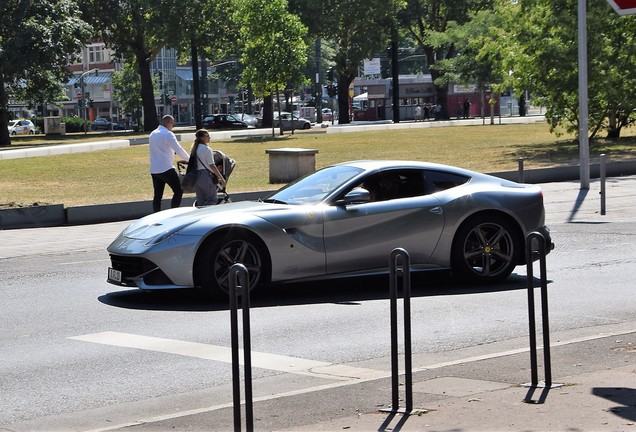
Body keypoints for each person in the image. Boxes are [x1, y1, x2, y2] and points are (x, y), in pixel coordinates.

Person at [149, 115, 190, 212]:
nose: (173, 126)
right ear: (168, 123)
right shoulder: (168, 134)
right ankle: (173, 213)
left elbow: (163, 148)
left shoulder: (153, 133)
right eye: (173, 123)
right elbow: (179, 149)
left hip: (154, 169)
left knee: (158, 195)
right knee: (178, 191)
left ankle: (156, 214)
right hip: (166, 168)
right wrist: (189, 160)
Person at [190, 129, 226, 206]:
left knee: (200, 200)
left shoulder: (194, 149)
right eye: (208, 136)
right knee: (212, 199)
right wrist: (221, 178)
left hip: (196, 176)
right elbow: (212, 165)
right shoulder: (207, 149)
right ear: (202, 138)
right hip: (205, 175)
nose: (209, 137)